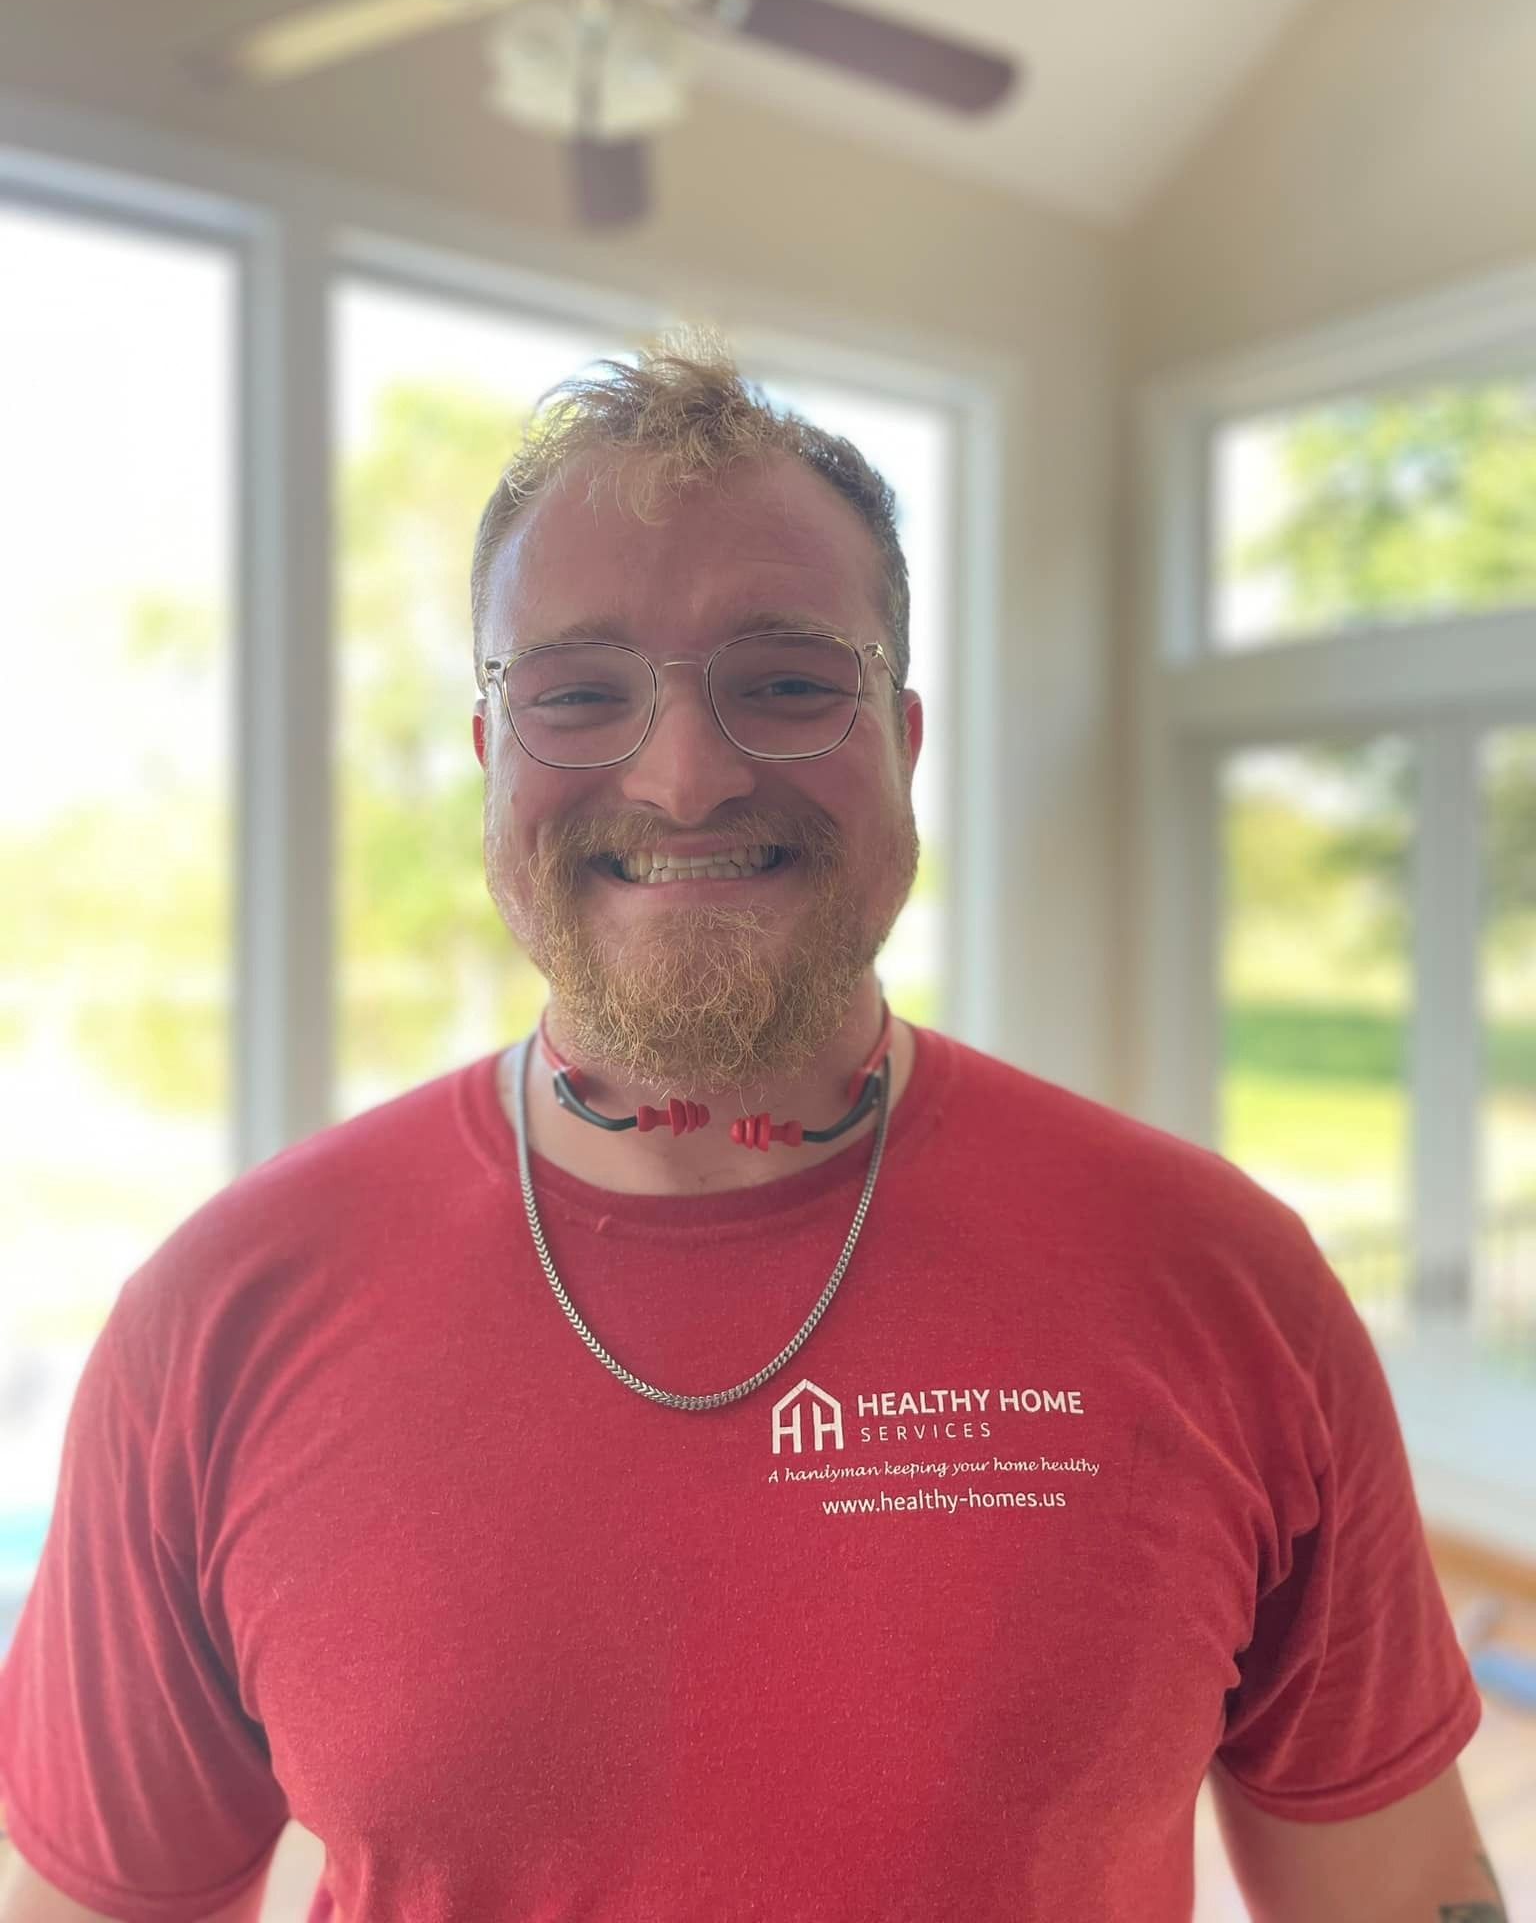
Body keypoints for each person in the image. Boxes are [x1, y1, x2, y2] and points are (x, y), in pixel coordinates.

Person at [0, 335, 1505, 1923]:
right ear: (488, 760)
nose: (686, 775)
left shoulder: (1223, 1286)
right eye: (579, 693)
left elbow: (1398, 1894)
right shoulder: (218, 1322)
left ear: (905, 748)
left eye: (785, 683)